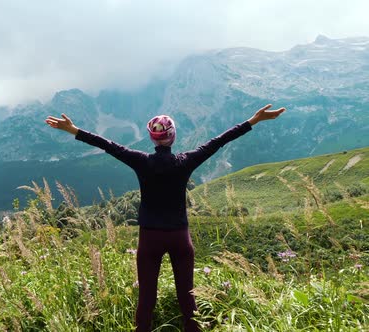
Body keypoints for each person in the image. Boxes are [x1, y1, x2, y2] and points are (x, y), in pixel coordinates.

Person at [45, 104, 285, 331]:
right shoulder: (186, 161)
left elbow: (109, 145)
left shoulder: (141, 161)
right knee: (187, 297)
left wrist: (73, 129)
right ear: (173, 136)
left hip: (149, 238)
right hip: (180, 237)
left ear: (151, 137)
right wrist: (254, 120)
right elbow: (219, 141)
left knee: (147, 297)